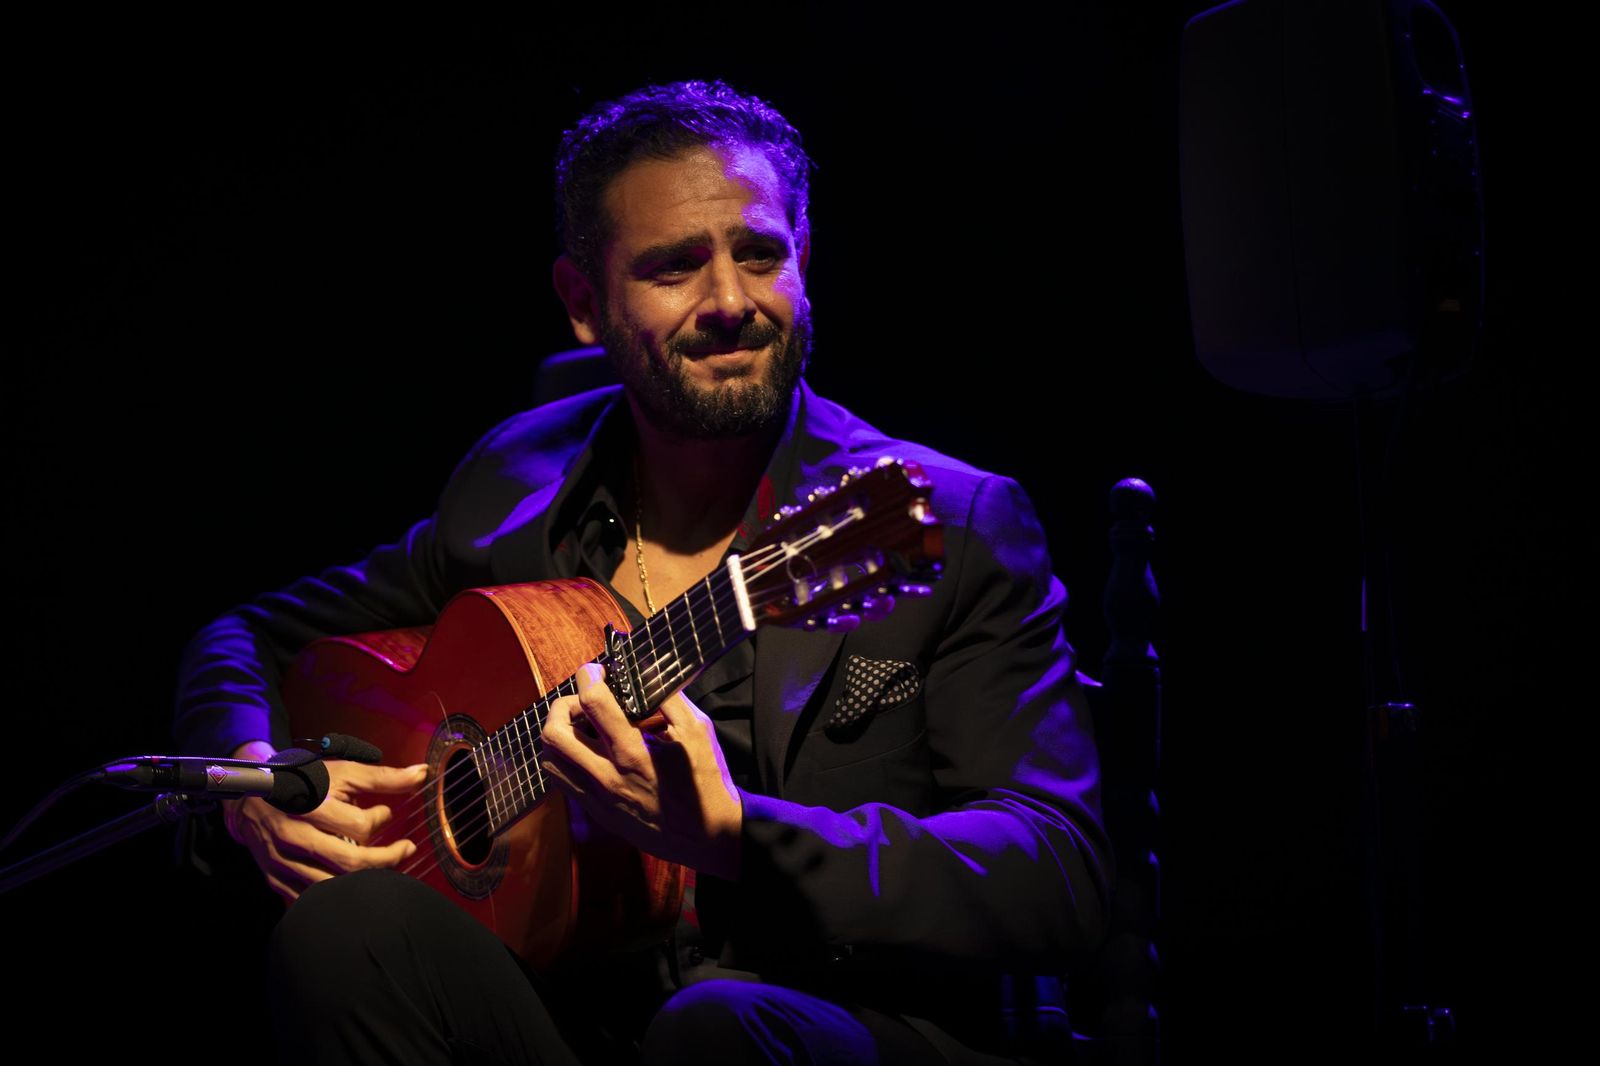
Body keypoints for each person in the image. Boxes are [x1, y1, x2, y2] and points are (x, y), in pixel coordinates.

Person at [174, 79, 1112, 1064]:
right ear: (585, 305)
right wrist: (252, 784)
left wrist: (738, 832)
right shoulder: (511, 488)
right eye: (673, 268)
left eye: (761, 254)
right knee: (342, 929)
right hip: (574, 1016)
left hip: (829, 1029)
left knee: (712, 1032)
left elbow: (1058, 870)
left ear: (807, 263)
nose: (731, 303)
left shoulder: (934, 520)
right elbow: (250, 635)